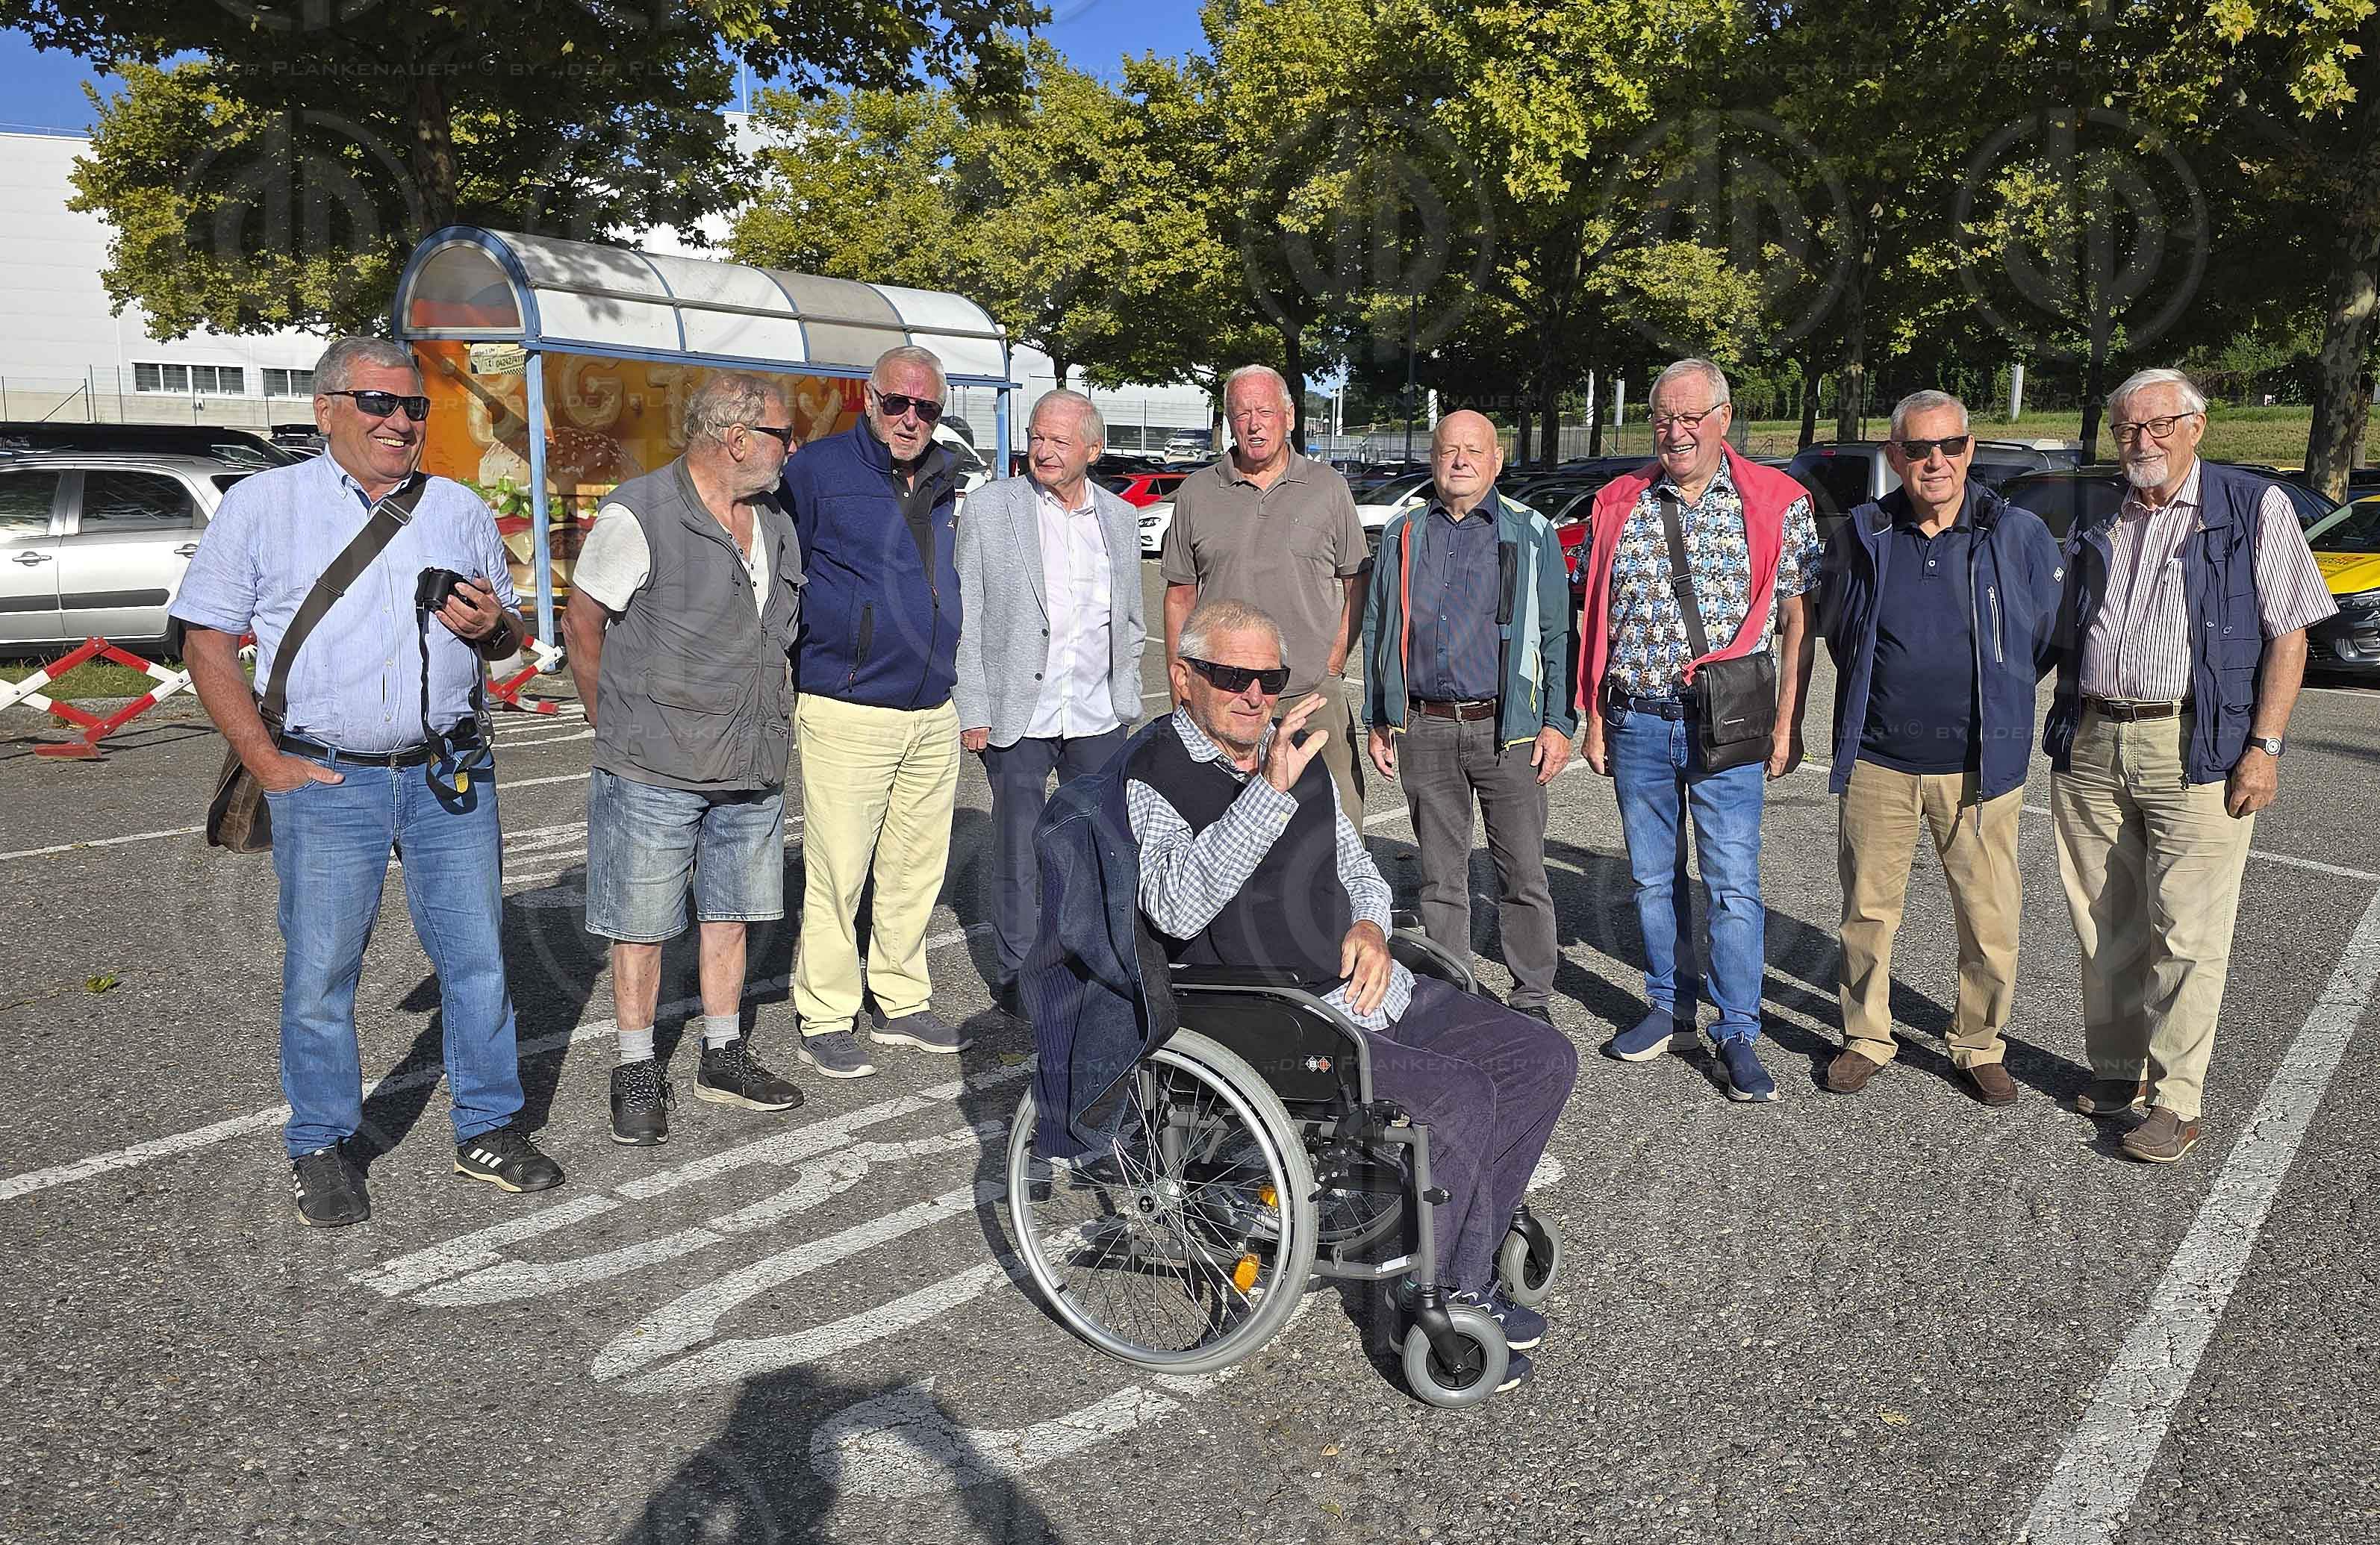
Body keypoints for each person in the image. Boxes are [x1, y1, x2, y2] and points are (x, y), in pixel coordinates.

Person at [1126, 599, 1578, 1389]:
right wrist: (1265, 794)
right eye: (1231, 676)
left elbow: (1358, 867)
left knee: (1540, 1056)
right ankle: (1431, 1295)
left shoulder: (1290, 753)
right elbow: (1173, 906)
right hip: (1277, 1021)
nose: (1253, 695)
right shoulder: (1152, 775)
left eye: (1268, 678)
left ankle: (1471, 1243)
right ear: (1182, 677)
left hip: (1370, 985)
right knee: (1462, 1098)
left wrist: (1370, 926)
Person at [171, 334, 562, 1226]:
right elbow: (205, 642)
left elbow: (504, 641)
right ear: (325, 410)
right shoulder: (264, 506)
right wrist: (268, 765)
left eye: (413, 407)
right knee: (321, 974)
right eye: (378, 404)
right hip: (327, 778)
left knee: (475, 962)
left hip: (447, 773)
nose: (399, 422)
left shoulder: (457, 507)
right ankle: (321, 1142)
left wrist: (493, 626)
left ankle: (489, 1128)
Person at [2044, 368, 2337, 1163]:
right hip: (2094, 737)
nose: (2141, 442)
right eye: (2127, 429)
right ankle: (2113, 1071)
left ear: (2194, 427)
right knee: (2102, 922)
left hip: (2196, 743)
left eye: (2157, 425)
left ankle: (2174, 1100)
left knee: (2186, 931)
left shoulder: (2250, 507)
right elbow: (2062, 626)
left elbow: (2289, 634)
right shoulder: (2100, 513)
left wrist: (2263, 748)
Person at [562, 372, 808, 1146]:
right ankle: (636, 1066)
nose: (790, 449)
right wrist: (615, 728)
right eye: (781, 434)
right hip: (653, 766)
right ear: (736, 438)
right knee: (639, 927)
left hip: (751, 759)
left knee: (731, 916)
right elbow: (582, 622)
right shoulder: (640, 512)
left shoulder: (774, 523)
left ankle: (722, 1053)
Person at [1576, 358, 1820, 1103]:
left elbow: (1796, 621)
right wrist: (1591, 715)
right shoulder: (1618, 500)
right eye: (1662, 419)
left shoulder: (1779, 501)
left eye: (1689, 418)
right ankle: (1667, 1008)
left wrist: (1788, 725)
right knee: (1651, 880)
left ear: (1721, 418)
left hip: (1729, 723)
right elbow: (1595, 612)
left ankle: (1737, 1029)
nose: (1674, 432)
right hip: (1637, 720)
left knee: (1731, 885)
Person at [1813, 390, 2063, 1105]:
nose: (1936, 462)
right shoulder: (1866, 532)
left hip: (1980, 764)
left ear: (1970, 450)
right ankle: (1866, 1035)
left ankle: (1979, 1043)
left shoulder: (2014, 533)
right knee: (1867, 911)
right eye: (1919, 449)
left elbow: (2042, 634)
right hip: (1879, 758)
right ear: (1894, 456)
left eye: (1950, 446)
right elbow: (1840, 627)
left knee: (1989, 917)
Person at [782, 344, 973, 1078]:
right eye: (898, 403)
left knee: (915, 867)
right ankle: (826, 1013)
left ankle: (899, 997)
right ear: (869, 398)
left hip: (932, 705)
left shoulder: (949, 474)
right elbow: (782, 573)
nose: (911, 419)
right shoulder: (819, 472)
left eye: (926, 408)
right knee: (839, 871)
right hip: (846, 704)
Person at [1360, 410, 1577, 1023]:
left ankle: (1531, 997)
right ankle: (1453, 996)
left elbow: (1560, 633)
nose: (1459, 460)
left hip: (1507, 730)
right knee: (1439, 877)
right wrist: (1379, 716)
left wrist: (1559, 723)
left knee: (1523, 873)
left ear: (1496, 459)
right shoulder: (1405, 535)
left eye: (1473, 450)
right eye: (1449, 449)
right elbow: (1379, 627)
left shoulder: (1530, 532)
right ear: (1433, 459)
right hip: (1424, 727)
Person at [953, 389, 1144, 1020]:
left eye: (1059, 441)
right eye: (1037, 436)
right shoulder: (988, 510)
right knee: (1019, 848)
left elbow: (1130, 617)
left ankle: (1089, 959)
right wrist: (973, 704)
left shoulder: (1117, 517)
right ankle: (1017, 972)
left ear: (1092, 449)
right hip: (1019, 711)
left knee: (1096, 844)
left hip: (1096, 712)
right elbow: (969, 614)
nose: (1042, 450)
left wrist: (1127, 694)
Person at [1159, 364, 1370, 823]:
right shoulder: (1197, 492)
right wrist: (1184, 686)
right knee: (1224, 825)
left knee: (1340, 822)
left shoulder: (1328, 489)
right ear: (1228, 422)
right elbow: (1179, 596)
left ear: (1290, 417)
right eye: (1241, 414)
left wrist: (1333, 662)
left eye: (1265, 411)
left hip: (1310, 695)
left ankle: (1344, 898)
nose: (1254, 424)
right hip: (1223, 697)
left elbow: (1358, 581)